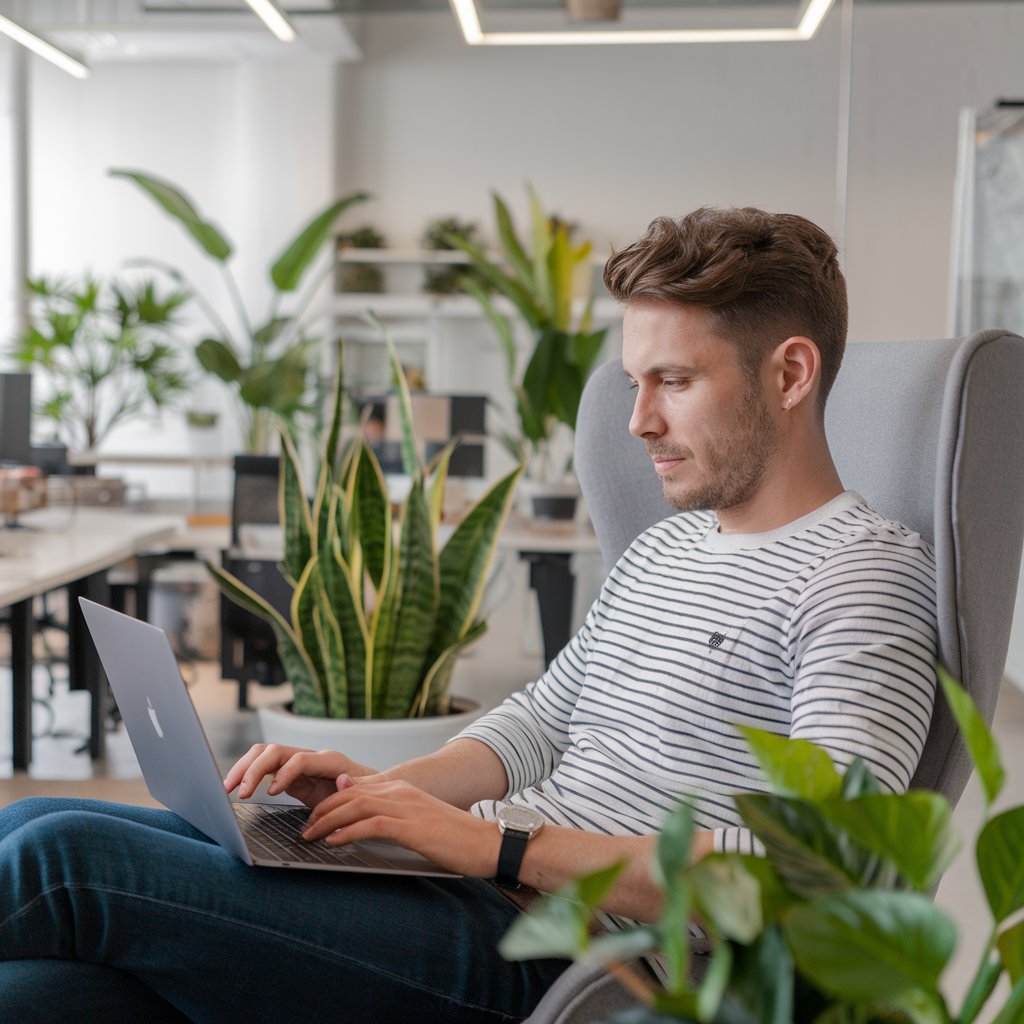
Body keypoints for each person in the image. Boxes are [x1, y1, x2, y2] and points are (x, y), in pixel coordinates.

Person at [0, 207, 937, 1023]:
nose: (638, 421)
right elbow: (538, 725)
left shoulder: (862, 577)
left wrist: (497, 844)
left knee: (64, 858)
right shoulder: (667, 548)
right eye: (635, 383)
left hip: (578, 958)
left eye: (675, 382)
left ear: (791, 373)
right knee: (39, 901)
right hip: (479, 884)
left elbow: (812, 874)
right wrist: (377, 796)